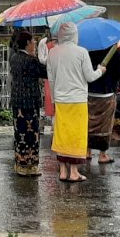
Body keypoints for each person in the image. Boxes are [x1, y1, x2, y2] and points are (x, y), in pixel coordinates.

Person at [47, 22, 106, 183]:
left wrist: (53, 100)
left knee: (62, 135)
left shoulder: (52, 53)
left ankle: (63, 171)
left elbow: (51, 80)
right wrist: (100, 70)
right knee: (76, 135)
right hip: (78, 100)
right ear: (74, 35)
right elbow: (89, 76)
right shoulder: (81, 52)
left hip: (60, 100)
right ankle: (74, 171)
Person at [9, 31, 48, 177]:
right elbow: (45, 73)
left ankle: (20, 164)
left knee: (20, 133)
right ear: (27, 43)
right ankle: (31, 165)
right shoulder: (31, 60)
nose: (35, 43)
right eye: (33, 41)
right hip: (30, 101)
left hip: (17, 100)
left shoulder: (14, 58)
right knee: (32, 134)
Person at [86, 44, 120, 164]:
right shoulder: (115, 50)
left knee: (89, 122)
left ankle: (87, 150)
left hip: (89, 89)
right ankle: (102, 154)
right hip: (107, 90)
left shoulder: (88, 48)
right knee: (105, 124)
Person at [38, 32, 57, 118]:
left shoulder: (60, 42)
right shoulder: (43, 42)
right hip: (49, 71)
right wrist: (51, 57)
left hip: (59, 71)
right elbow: (41, 59)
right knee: (49, 94)